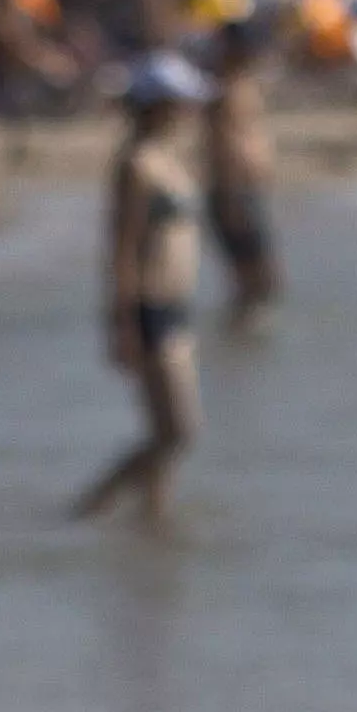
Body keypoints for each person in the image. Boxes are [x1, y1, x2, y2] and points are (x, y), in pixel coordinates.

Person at [70, 55, 208, 529]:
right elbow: (121, 249)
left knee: (164, 433)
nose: (190, 111)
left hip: (178, 306)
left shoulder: (170, 159)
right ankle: (90, 509)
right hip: (148, 308)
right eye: (181, 103)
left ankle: (154, 521)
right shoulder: (135, 165)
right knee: (178, 432)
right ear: (157, 106)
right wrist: (122, 323)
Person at [198, 26, 283, 332]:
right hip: (232, 189)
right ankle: (241, 333)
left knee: (261, 276)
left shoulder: (243, 84)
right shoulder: (223, 91)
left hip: (246, 187)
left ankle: (245, 341)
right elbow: (221, 145)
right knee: (255, 275)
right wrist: (230, 195)